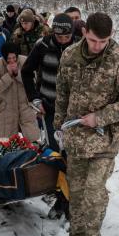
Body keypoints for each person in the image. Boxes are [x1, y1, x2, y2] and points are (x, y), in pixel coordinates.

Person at [54, 12, 119, 236]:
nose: (97, 46)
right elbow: (62, 92)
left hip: (104, 140)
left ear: (110, 37)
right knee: (77, 189)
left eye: (103, 42)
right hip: (75, 137)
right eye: (93, 40)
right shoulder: (70, 56)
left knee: (94, 192)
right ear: (84, 32)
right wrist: (58, 125)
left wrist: (101, 117)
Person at [22, 13, 76, 219]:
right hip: (49, 107)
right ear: (54, 32)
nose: (64, 40)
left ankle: (68, 199)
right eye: (60, 36)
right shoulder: (42, 46)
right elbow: (26, 72)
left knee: (71, 154)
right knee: (56, 153)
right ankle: (61, 198)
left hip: (73, 110)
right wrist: (34, 99)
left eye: (67, 36)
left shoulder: (79, 46)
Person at [0, 42, 38, 140]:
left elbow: (34, 81)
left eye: (14, 58)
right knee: (5, 142)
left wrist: (18, 74)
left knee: (32, 140)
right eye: (9, 59)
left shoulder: (25, 61)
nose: (12, 61)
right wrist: (8, 75)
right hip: (5, 108)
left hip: (25, 106)